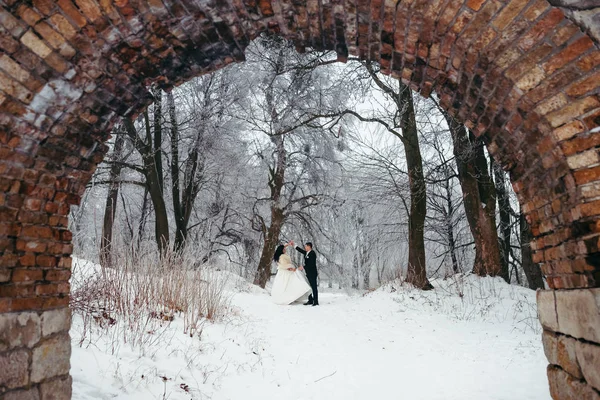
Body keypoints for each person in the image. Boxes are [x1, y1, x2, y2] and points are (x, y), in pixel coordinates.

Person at [290, 241, 319, 306]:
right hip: (308, 273)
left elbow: (311, 264)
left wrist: (303, 266)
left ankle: (316, 301)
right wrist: (294, 245)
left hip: (312, 273)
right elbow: (301, 250)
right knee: (308, 286)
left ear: (309, 246)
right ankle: (310, 300)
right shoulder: (307, 253)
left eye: (306, 246)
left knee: (314, 287)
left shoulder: (312, 253)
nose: (305, 247)